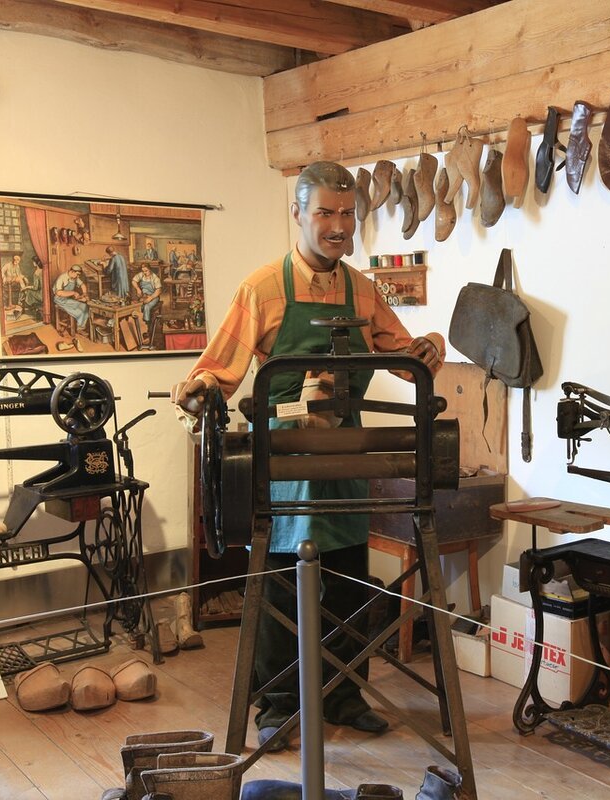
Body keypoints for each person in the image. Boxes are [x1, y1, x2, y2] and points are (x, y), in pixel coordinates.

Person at [173, 161, 443, 752]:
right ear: (297, 213)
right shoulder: (263, 289)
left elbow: (407, 360)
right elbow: (218, 370)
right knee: (282, 585)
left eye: (347, 214)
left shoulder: (363, 291)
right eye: (324, 213)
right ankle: (278, 704)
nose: (338, 226)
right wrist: (198, 389)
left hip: (346, 454)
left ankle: (343, 696)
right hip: (285, 459)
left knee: (347, 578)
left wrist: (430, 348)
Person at [52, 263, 90, 333]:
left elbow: (82, 285)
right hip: (59, 300)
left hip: (68, 299)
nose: (78, 276)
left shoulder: (75, 277)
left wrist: (84, 294)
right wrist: (73, 293)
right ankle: (80, 328)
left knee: (84, 307)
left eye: (79, 275)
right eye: (77, 274)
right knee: (79, 311)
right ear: (72, 272)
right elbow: (59, 293)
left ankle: (80, 327)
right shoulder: (62, 278)